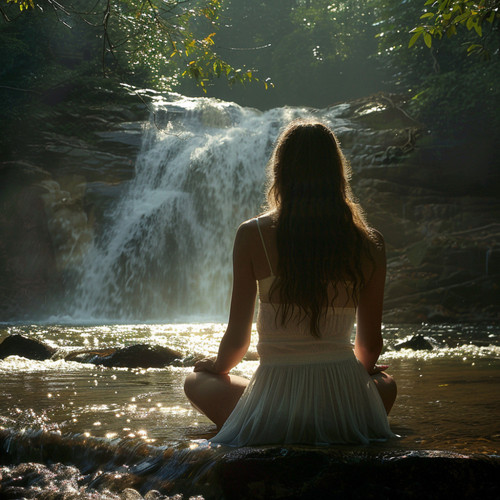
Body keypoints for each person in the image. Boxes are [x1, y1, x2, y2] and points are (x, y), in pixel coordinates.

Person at [184, 119, 397, 446]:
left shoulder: (251, 235)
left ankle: (273, 425)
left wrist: (216, 364)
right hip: (341, 408)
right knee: (385, 382)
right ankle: (338, 421)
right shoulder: (370, 243)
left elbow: (237, 342)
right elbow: (369, 348)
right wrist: (359, 373)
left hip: (275, 410)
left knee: (196, 380)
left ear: (280, 173)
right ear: (337, 175)